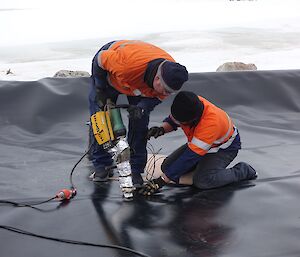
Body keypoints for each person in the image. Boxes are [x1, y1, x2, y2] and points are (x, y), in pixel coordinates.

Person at [88, 40, 189, 187]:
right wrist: (100, 89)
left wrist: (142, 107)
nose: (167, 94)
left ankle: (135, 170)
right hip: (111, 74)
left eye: (170, 92)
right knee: (101, 119)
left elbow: (157, 97)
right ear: (157, 78)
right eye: (166, 90)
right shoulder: (126, 65)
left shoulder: (171, 76)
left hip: (138, 83)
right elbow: (99, 60)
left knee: (140, 122)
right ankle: (101, 165)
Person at [140, 91, 257, 196]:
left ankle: (242, 170)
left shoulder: (210, 124)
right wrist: (161, 130)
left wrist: (160, 182)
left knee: (202, 181)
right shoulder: (189, 104)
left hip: (223, 148)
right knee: (167, 167)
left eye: (182, 122)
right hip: (201, 144)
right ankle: (202, 166)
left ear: (193, 119)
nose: (179, 123)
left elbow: (189, 157)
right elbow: (173, 121)